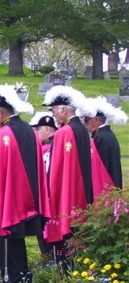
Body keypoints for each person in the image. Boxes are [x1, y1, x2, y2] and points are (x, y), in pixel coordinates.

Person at [0, 84, 50, 283]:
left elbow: (1, 169)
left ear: (1, 112)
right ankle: (24, 276)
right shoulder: (29, 130)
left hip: (12, 193)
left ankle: (12, 279)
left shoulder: (4, 133)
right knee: (18, 237)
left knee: (9, 237)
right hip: (31, 193)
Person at [42, 86, 95, 257]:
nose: (53, 115)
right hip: (82, 191)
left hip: (67, 191)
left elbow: (56, 168)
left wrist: (51, 191)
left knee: (66, 235)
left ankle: (64, 267)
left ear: (63, 110)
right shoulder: (81, 129)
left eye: (54, 111)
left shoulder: (63, 132)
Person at [81, 96, 125, 198]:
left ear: (97, 120)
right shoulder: (107, 135)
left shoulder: (100, 138)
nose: (85, 123)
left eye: (87, 119)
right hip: (112, 183)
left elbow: (98, 168)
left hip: (104, 186)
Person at [28, 111, 57, 256]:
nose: (36, 134)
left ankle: (47, 257)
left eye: (37, 130)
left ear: (46, 129)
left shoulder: (45, 149)